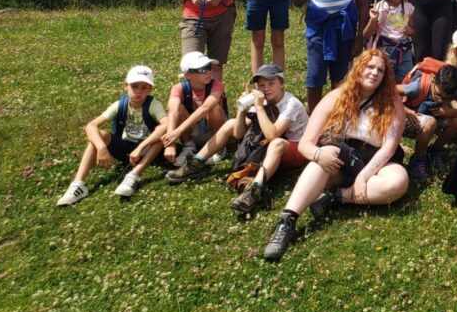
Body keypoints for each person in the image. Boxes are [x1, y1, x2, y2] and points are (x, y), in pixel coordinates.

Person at [263, 50, 408, 261]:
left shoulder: (392, 103)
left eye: (380, 70)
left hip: (377, 161)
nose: (374, 73)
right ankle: (287, 222)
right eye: (370, 67)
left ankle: (336, 197)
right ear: (358, 69)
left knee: (399, 181)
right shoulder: (336, 97)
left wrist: (363, 177)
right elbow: (305, 144)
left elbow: (389, 148)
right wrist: (318, 154)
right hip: (342, 158)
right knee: (321, 160)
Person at [166, 64, 310, 212]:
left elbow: (272, 136)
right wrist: (242, 110)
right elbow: (238, 133)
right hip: (269, 147)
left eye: (271, 84)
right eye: (261, 85)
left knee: (277, 143)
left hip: (295, 149)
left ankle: (255, 189)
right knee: (231, 123)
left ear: (282, 84)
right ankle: (197, 162)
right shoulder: (262, 100)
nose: (266, 89)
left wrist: (259, 108)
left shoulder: (290, 103)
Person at [57, 66, 167, 204]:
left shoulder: (154, 105)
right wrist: (101, 147)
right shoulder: (120, 104)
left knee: (160, 137)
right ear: (125, 86)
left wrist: (141, 147)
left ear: (150, 89)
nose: (138, 91)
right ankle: (78, 184)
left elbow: (166, 125)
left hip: (148, 150)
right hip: (126, 148)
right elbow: (91, 126)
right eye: (134, 86)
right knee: (100, 135)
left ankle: (133, 176)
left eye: (144, 87)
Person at [402, 63, 457, 179]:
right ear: (433, 81)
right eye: (438, 94)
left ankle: (435, 151)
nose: (441, 99)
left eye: (446, 98)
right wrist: (407, 110)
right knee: (431, 122)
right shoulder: (418, 86)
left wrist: (451, 112)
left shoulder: (451, 89)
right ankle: (417, 160)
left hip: (431, 119)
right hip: (409, 118)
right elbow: (391, 92)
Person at [161, 51, 228, 166]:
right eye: (202, 70)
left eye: (208, 67)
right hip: (192, 129)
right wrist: (170, 143)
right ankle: (189, 146)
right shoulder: (178, 88)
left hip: (213, 128)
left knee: (214, 107)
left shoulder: (217, 85)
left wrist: (177, 132)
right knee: (178, 108)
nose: (208, 72)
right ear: (188, 75)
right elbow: (173, 112)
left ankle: (218, 146)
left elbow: (205, 108)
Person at [364, 0, 415, 79]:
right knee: (385, 79)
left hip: (404, 50)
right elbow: (366, 35)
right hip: (384, 50)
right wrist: (373, 19)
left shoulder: (409, 8)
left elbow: (413, 31)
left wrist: (410, 30)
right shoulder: (380, 8)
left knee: (405, 80)